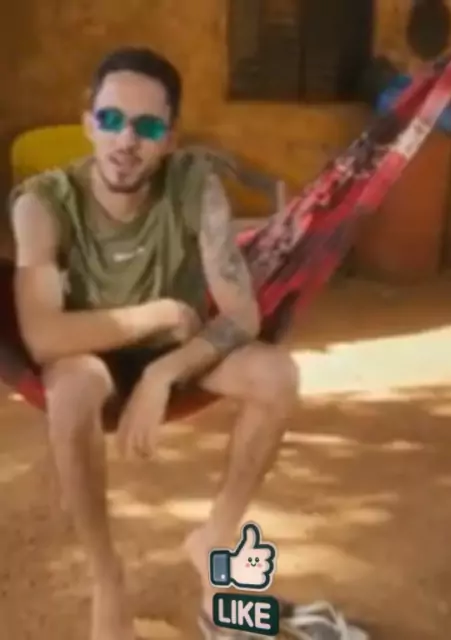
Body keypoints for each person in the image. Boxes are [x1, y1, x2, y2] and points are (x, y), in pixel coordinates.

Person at [9, 47, 300, 640]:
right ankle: (108, 578)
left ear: (169, 138)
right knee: (70, 394)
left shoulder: (195, 185)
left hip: (180, 349)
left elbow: (242, 313)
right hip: (89, 352)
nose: (126, 140)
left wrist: (164, 371)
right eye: (112, 119)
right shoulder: (43, 203)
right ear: (88, 123)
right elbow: (42, 336)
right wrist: (160, 314)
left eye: (146, 127)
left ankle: (216, 536)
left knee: (277, 375)